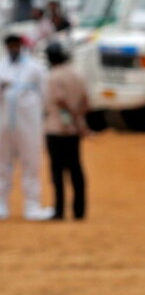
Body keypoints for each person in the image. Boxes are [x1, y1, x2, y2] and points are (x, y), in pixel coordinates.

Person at [0, 34, 52, 221]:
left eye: (15, 45)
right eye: (9, 45)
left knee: (31, 162)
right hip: (3, 124)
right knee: (2, 164)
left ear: (20, 46)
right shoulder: (1, 65)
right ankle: (2, 204)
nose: (12, 48)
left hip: (29, 124)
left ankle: (32, 205)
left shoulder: (35, 68)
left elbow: (46, 95)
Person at [44, 41, 90, 220]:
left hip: (56, 129)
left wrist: (69, 118)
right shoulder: (78, 75)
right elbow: (86, 103)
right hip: (74, 131)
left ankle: (59, 210)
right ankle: (79, 210)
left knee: (57, 171)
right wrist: (79, 122)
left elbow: (60, 101)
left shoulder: (54, 76)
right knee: (76, 168)